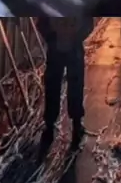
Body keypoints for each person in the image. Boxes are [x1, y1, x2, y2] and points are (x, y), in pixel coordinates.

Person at [37, 15, 94, 151]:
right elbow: (88, 24)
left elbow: (41, 23)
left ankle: (50, 128)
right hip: (73, 50)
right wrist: (76, 37)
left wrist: (53, 38)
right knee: (74, 87)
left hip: (58, 49)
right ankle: (75, 127)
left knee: (53, 87)